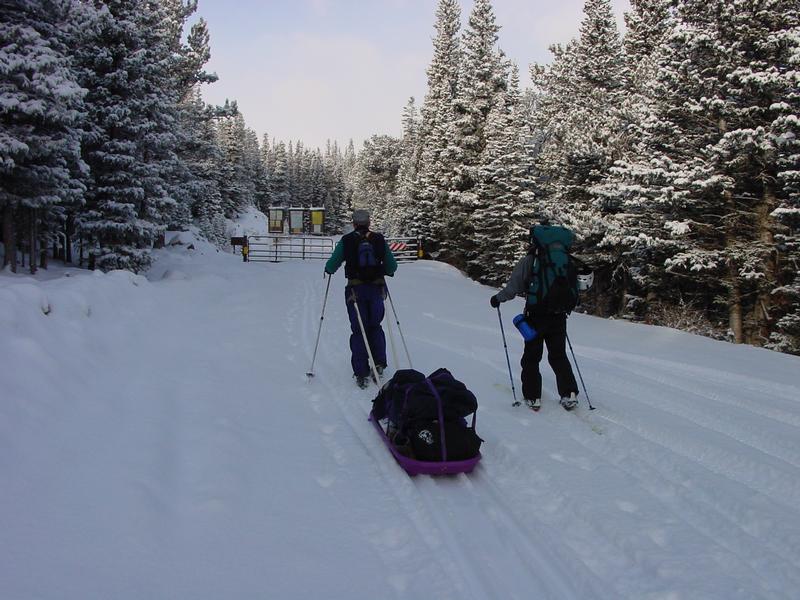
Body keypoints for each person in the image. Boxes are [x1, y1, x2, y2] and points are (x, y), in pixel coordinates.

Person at [490, 222, 579, 411]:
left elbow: (514, 287)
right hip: (559, 315)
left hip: (536, 315)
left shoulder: (531, 260)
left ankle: (533, 397)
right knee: (558, 356)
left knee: (531, 357)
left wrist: (498, 299)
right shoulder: (566, 260)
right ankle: (569, 393)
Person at [325, 209, 398, 388]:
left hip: (355, 291)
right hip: (376, 290)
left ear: (354, 223)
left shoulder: (347, 240)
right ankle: (379, 364)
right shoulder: (379, 239)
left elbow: (332, 264)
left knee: (359, 330)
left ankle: (361, 371)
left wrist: (329, 269)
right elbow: (392, 266)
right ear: (369, 222)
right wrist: (383, 271)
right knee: (375, 326)